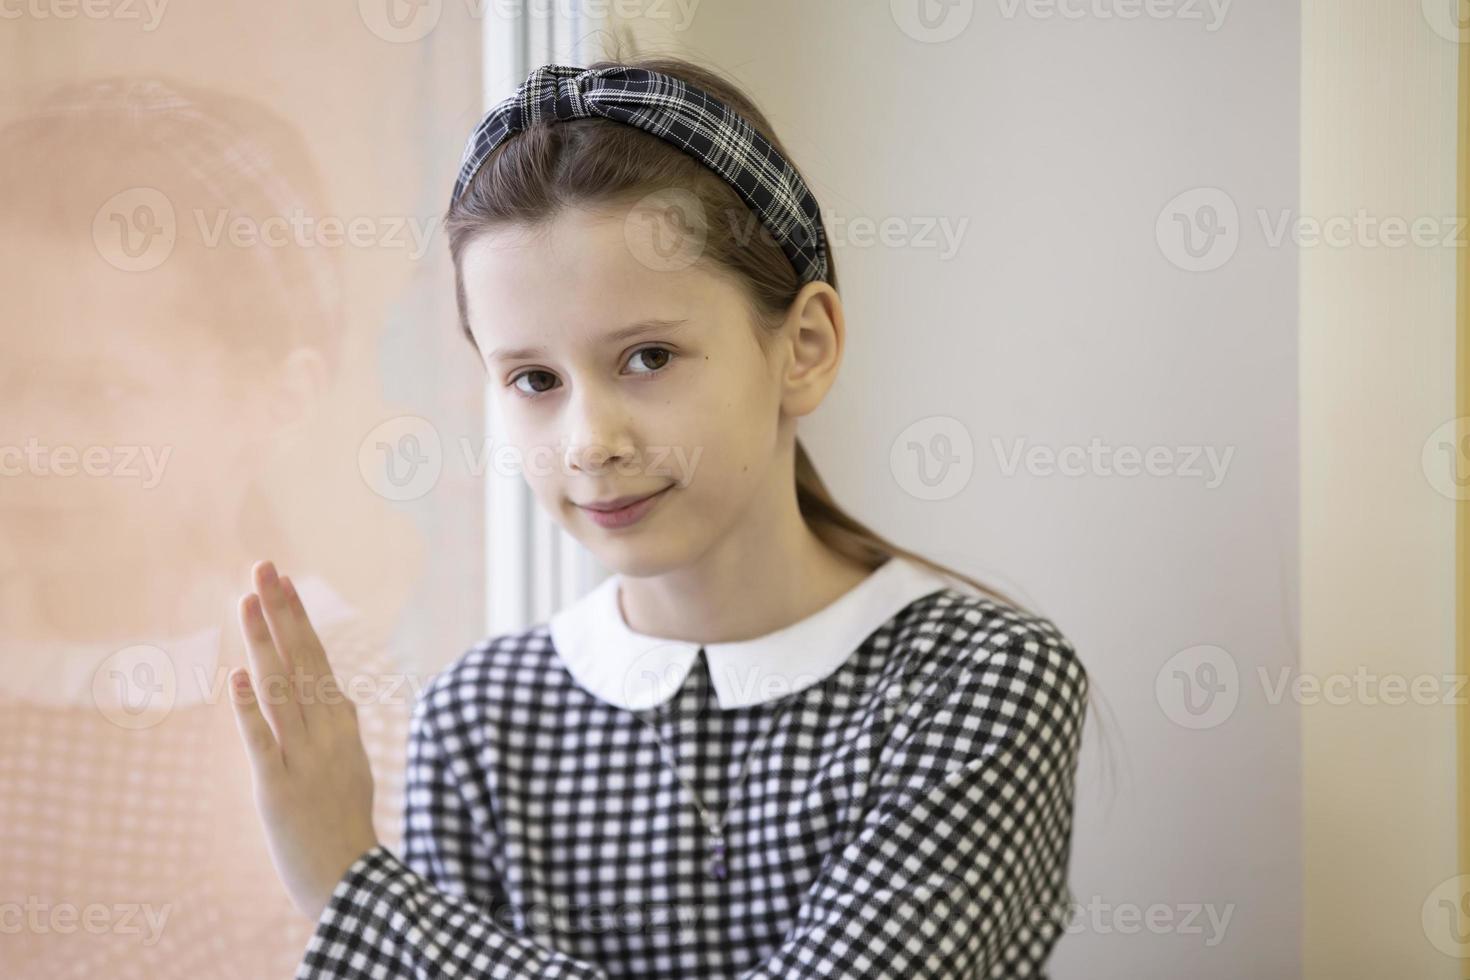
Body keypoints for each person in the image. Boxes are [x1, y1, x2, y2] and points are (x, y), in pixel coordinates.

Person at [230, 55, 1096, 979]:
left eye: (648, 358)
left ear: (803, 348)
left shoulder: (977, 680)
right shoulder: (481, 717)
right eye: (534, 380)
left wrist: (353, 894)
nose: (590, 440)